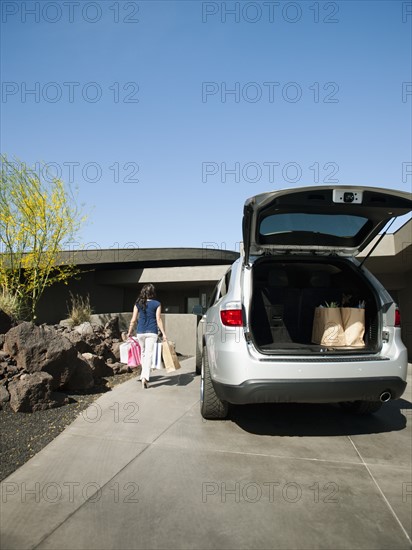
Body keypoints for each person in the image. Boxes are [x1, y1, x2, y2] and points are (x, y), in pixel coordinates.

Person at [127, 283, 167, 389]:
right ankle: (145, 377)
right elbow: (158, 319)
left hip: (140, 332)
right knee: (149, 354)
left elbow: (133, 319)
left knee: (143, 354)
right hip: (152, 332)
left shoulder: (138, 303)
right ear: (153, 293)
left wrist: (129, 331)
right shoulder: (157, 303)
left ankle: (142, 375)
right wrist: (163, 333)